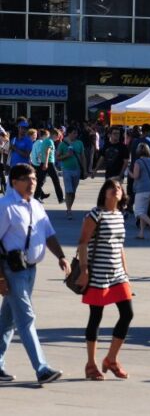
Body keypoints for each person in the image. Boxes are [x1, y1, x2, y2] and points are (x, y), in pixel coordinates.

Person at [0, 163, 70, 385]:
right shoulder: (5, 207)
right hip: (11, 270)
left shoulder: (37, 205)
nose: (32, 182)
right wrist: (0, 277)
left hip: (30, 269)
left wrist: (61, 256)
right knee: (26, 318)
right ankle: (42, 369)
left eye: (34, 179)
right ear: (14, 182)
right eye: (27, 179)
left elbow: (48, 233)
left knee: (8, 319)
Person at [74, 180, 133, 381]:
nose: (116, 189)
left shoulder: (119, 215)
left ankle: (111, 359)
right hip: (97, 274)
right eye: (111, 187)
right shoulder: (95, 214)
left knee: (127, 314)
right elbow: (82, 242)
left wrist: (126, 273)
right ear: (104, 193)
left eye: (119, 187)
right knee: (96, 317)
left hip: (117, 274)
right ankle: (90, 364)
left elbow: (120, 245)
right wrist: (84, 270)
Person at [129, 143, 150, 239]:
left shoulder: (138, 162)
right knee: (143, 211)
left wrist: (129, 172)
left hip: (142, 189)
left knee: (137, 211)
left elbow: (136, 176)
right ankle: (141, 233)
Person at [56, 126, 86, 220]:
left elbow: (83, 157)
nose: (75, 135)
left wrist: (84, 170)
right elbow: (57, 157)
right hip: (66, 169)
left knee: (73, 191)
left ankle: (69, 207)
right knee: (69, 190)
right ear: (68, 133)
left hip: (77, 170)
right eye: (74, 133)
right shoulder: (62, 144)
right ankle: (69, 210)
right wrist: (67, 155)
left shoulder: (79, 143)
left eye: (76, 133)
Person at [31, 129, 63, 204]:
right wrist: (46, 163)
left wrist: (43, 162)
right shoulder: (50, 141)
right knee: (56, 180)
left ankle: (36, 196)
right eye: (58, 136)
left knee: (40, 181)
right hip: (49, 163)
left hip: (43, 162)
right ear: (54, 135)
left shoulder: (45, 141)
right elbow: (47, 152)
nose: (58, 138)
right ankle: (60, 198)